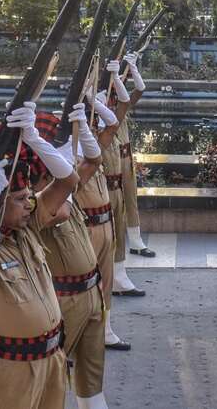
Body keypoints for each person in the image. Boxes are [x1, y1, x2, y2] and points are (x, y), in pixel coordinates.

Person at [0, 101, 78, 409]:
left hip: (51, 358)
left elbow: (69, 182)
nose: (29, 205)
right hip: (11, 367)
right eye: (20, 199)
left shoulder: (26, 229)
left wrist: (34, 138)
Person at [35, 106, 110, 409]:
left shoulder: (63, 187)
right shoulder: (31, 199)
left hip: (91, 292)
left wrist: (81, 125)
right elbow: (60, 207)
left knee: (92, 378)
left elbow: (94, 159)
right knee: (50, 378)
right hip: (63, 301)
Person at [75, 75, 132, 351]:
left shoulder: (95, 141)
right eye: (84, 119)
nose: (90, 122)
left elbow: (112, 122)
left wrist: (92, 103)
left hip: (104, 222)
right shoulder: (69, 154)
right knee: (80, 285)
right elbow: (91, 157)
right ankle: (75, 336)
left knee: (105, 282)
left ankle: (106, 330)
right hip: (83, 228)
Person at [99, 60, 146, 297]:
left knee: (124, 214)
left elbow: (130, 97)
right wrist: (91, 101)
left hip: (120, 168)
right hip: (99, 188)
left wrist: (124, 72)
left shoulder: (116, 113)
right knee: (103, 238)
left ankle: (119, 275)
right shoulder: (91, 128)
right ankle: (107, 279)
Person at [117, 52, 155, 258]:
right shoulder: (95, 105)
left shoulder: (121, 104)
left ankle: (136, 242)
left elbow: (140, 89)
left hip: (124, 157)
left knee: (131, 200)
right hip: (106, 161)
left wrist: (132, 69)